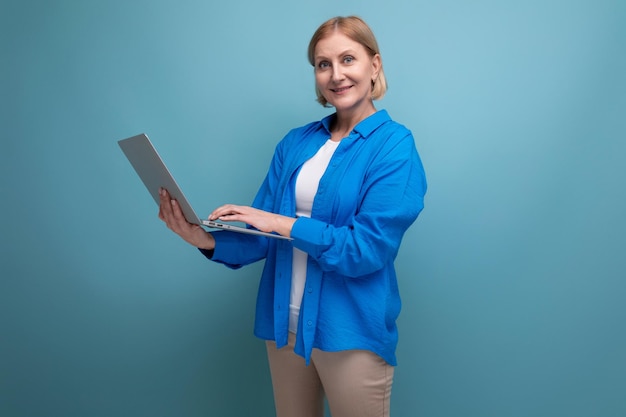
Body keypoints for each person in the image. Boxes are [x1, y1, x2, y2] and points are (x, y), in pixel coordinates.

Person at [158, 15, 427, 417]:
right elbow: (259, 234)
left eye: (348, 59)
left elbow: (366, 249)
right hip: (283, 328)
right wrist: (203, 238)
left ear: (374, 65)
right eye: (323, 64)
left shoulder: (395, 147)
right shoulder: (296, 143)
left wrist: (283, 223)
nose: (336, 75)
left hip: (349, 333)